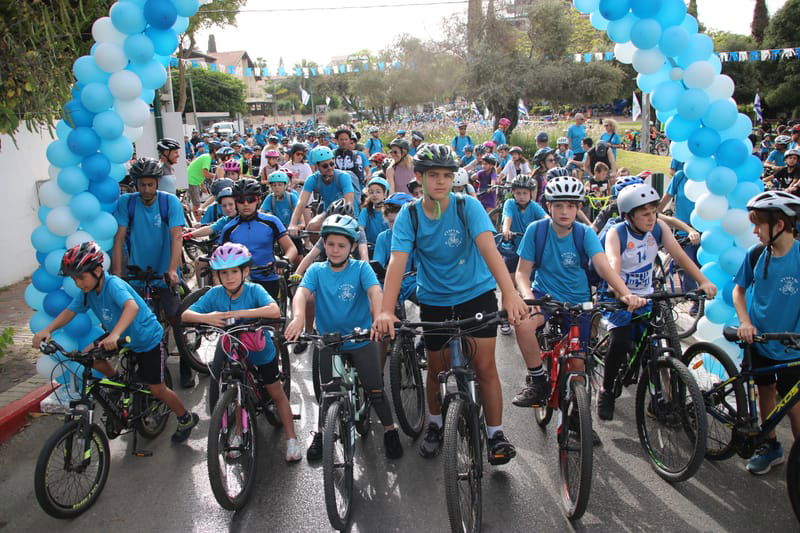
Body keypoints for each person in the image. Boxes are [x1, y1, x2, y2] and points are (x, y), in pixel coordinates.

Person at [375, 143, 529, 464]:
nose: (442, 182)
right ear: (419, 178)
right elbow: (396, 264)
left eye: (447, 175)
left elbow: (489, 250)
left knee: (485, 367)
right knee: (437, 368)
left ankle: (495, 434)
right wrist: (386, 310)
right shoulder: (410, 215)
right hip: (434, 299)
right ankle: (434, 424)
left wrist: (510, 293)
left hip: (476, 294)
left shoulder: (467, 206)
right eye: (434, 175)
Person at [34, 241, 199, 443]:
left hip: (147, 339)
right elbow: (70, 311)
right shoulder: (87, 293)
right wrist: (47, 329)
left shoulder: (114, 285)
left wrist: (114, 335)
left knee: (157, 388)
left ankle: (185, 418)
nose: (78, 283)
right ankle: (117, 381)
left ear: (97, 270)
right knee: (88, 355)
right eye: (74, 279)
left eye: (81, 277)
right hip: (121, 336)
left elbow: (131, 307)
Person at [510, 176, 647, 410]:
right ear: (548, 206)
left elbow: (603, 266)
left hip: (578, 302)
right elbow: (522, 272)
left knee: (577, 366)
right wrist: (527, 296)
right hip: (545, 296)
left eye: (571, 206)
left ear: (578, 208)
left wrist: (624, 293)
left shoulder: (584, 233)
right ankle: (538, 380)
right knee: (523, 325)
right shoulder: (537, 230)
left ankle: (577, 420)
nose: (565, 211)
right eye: (559, 205)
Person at [284, 215, 403, 462]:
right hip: (330, 342)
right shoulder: (316, 270)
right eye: (330, 244)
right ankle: (322, 433)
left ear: (351, 247)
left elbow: (375, 292)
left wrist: (380, 315)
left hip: (360, 340)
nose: (335, 250)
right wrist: (297, 317)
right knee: (329, 393)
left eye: (341, 245)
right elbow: (302, 294)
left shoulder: (361, 268)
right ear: (323, 244)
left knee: (375, 389)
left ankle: (390, 430)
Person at [597, 183, 717, 421]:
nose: (652, 218)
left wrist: (703, 281)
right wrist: (622, 294)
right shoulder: (617, 233)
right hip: (619, 295)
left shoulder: (659, 228)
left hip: (647, 295)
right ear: (628, 216)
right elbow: (613, 265)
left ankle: (657, 399)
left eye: (654, 212)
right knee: (620, 341)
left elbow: (680, 256)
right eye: (645, 214)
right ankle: (607, 390)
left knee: (655, 347)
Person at [181, 243, 302, 462]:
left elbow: (273, 310)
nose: (229, 277)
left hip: (259, 349)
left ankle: (292, 438)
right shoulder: (215, 294)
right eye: (224, 273)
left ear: (245, 272)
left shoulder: (254, 290)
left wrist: (238, 313)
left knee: (276, 392)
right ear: (217, 275)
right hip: (232, 349)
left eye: (234, 271)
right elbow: (185, 315)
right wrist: (207, 317)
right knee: (237, 388)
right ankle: (237, 433)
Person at [111, 157, 196, 389]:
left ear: (157, 183)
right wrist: (117, 273)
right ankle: (144, 366)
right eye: (142, 185)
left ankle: (187, 366)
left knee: (176, 318)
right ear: (135, 184)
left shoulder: (169, 203)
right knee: (138, 322)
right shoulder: (126, 203)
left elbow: (177, 236)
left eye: (150, 184)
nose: (146, 189)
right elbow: (118, 238)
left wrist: (171, 269)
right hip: (136, 273)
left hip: (164, 273)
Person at [733, 190, 800, 474]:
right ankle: (771, 446)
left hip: (792, 345)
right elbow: (739, 290)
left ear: (780, 225)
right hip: (759, 341)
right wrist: (745, 321)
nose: (755, 230)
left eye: (759, 224)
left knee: (795, 403)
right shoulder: (757, 253)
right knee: (765, 391)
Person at [219, 178, 298, 300]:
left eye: (251, 200)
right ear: (235, 202)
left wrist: (285, 260)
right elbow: (221, 257)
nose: (246, 204)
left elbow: (291, 248)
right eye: (241, 200)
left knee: (271, 316)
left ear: (258, 200)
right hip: (239, 282)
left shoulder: (272, 222)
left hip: (268, 277)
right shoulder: (229, 228)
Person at [287, 146, 356, 238]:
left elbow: (349, 202)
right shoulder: (312, 179)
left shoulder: (343, 176)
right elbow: (301, 202)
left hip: (348, 213)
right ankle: (321, 251)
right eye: (325, 166)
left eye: (332, 164)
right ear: (317, 167)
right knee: (311, 227)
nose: (330, 168)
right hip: (328, 212)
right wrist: (293, 224)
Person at [499, 174, 547, 282]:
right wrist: (506, 230)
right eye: (518, 193)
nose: (522, 196)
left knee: (528, 282)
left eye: (525, 193)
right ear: (513, 193)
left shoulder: (534, 206)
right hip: (513, 247)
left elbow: (546, 219)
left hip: (529, 249)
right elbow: (507, 218)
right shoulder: (510, 203)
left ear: (530, 193)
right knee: (509, 282)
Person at [187, 143, 219, 219]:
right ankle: (198, 223)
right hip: (192, 181)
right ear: (215, 151)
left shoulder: (206, 157)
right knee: (197, 204)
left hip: (194, 180)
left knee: (197, 203)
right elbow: (205, 173)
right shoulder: (207, 158)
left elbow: (199, 171)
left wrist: (202, 185)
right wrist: (216, 176)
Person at [358, 176, 390, 245]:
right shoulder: (365, 211)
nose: (374, 195)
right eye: (371, 192)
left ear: (385, 194)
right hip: (369, 246)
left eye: (378, 192)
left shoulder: (390, 212)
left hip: (387, 246)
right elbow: (360, 228)